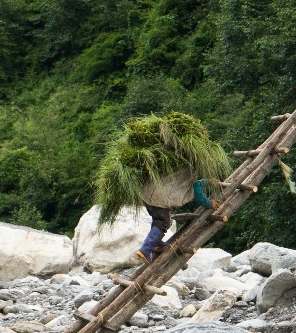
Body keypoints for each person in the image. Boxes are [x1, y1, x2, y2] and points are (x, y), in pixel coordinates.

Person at [92, 111, 232, 265]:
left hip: (148, 193)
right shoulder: (191, 171)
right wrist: (209, 204)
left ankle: (156, 243)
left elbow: (200, 183)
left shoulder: (181, 166)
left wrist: (211, 182)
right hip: (158, 196)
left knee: (159, 219)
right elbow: (198, 194)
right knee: (163, 223)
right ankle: (145, 250)